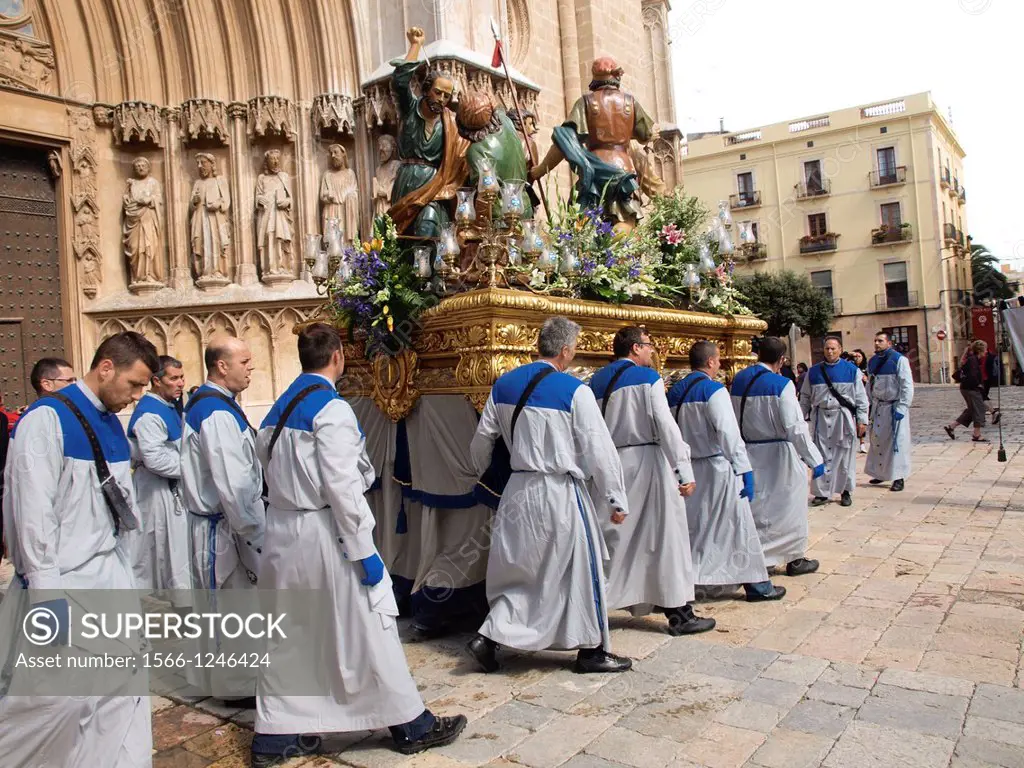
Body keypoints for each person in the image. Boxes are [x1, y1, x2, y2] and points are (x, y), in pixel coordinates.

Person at [250, 324, 466, 766]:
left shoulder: (277, 408)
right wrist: (364, 551)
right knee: (372, 625)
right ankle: (411, 724)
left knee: (290, 633)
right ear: (337, 358)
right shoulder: (330, 409)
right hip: (324, 536)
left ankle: (277, 735)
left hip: (282, 534)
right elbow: (343, 488)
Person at [0, 332, 159, 767]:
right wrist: (46, 597)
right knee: (54, 703)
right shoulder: (45, 420)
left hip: (108, 578)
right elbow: (33, 513)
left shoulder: (110, 421)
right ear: (106, 367)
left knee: (120, 693)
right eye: (134, 384)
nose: (136, 396)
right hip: (64, 584)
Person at [467, 317, 633, 673]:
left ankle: (489, 638)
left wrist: (484, 474)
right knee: (577, 569)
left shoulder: (503, 386)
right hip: (559, 491)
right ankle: (592, 651)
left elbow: (481, 443)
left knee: (520, 570)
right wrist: (615, 499)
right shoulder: (575, 390)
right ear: (566, 351)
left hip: (518, 489)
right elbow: (599, 450)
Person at [589, 327, 715, 636]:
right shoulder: (647, 379)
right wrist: (683, 471)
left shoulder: (596, 381)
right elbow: (665, 425)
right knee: (666, 539)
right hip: (648, 465)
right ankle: (679, 613)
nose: (651, 351)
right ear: (634, 349)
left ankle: (593, 604)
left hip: (611, 464)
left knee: (617, 541)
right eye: (648, 345)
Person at [180, 336, 265, 704]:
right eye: (245, 361)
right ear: (222, 366)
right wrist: (256, 535)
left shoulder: (220, 407)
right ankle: (237, 686)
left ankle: (236, 678)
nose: (251, 368)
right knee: (232, 608)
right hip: (225, 530)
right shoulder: (215, 413)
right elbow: (233, 483)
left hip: (224, 525)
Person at [668, 341, 785, 601]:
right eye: (718, 359)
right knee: (739, 525)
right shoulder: (714, 390)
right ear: (710, 362)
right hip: (717, 467)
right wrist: (744, 469)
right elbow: (728, 433)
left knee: (698, 528)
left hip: (690, 468)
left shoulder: (675, 392)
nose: (720, 363)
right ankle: (757, 585)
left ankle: (693, 579)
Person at [731, 338, 825, 577]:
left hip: (749, 450)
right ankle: (795, 557)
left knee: (757, 506)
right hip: (779, 453)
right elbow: (795, 426)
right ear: (781, 359)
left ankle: (760, 555)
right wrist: (814, 459)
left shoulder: (739, 380)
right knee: (789, 506)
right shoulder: (781, 384)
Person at [386, 26, 468, 238]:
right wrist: (416, 46)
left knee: (428, 229)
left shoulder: (450, 122)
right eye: (438, 92)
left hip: (435, 185)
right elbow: (400, 82)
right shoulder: (410, 109)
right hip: (407, 181)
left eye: (447, 96)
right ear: (426, 90)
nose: (441, 99)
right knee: (404, 238)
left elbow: (462, 154)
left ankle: (432, 271)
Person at [126, 355, 190, 599]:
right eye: (173, 378)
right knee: (153, 551)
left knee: (176, 551)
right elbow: (154, 459)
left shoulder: (170, 407)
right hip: (156, 493)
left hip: (171, 490)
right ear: (156, 381)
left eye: (182, 377)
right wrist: (191, 467)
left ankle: (181, 602)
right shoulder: (150, 413)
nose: (180, 383)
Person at [801, 337, 869, 507]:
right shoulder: (813, 372)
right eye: (827, 348)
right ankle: (821, 492)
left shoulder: (851, 370)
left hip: (842, 418)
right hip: (821, 419)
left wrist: (862, 421)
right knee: (820, 456)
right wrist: (800, 418)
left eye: (833, 348)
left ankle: (845, 491)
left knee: (845, 456)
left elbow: (861, 397)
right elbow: (805, 397)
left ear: (840, 349)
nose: (830, 351)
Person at [866, 331, 914, 492]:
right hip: (879, 407)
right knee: (878, 441)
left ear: (889, 343)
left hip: (894, 407)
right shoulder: (872, 361)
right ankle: (880, 473)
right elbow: (870, 384)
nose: (877, 343)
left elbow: (906, 384)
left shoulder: (899, 360)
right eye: (875, 340)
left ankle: (898, 477)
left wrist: (903, 406)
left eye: (880, 340)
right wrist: (869, 403)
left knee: (896, 444)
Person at [945, 339, 989, 443]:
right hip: (971, 389)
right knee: (979, 409)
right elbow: (972, 375)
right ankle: (976, 434)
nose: (986, 351)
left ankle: (951, 427)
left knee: (971, 410)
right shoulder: (973, 360)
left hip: (967, 388)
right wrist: (978, 384)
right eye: (985, 349)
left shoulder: (973, 359)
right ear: (981, 350)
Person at [851, 349, 870, 453]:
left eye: (859, 356)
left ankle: (862, 443)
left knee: (862, 421)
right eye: (855, 356)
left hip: (864, 397)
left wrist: (866, 379)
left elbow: (871, 381)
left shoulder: (866, 369)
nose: (857, 358)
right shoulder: (850, 368)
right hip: (852, 398)